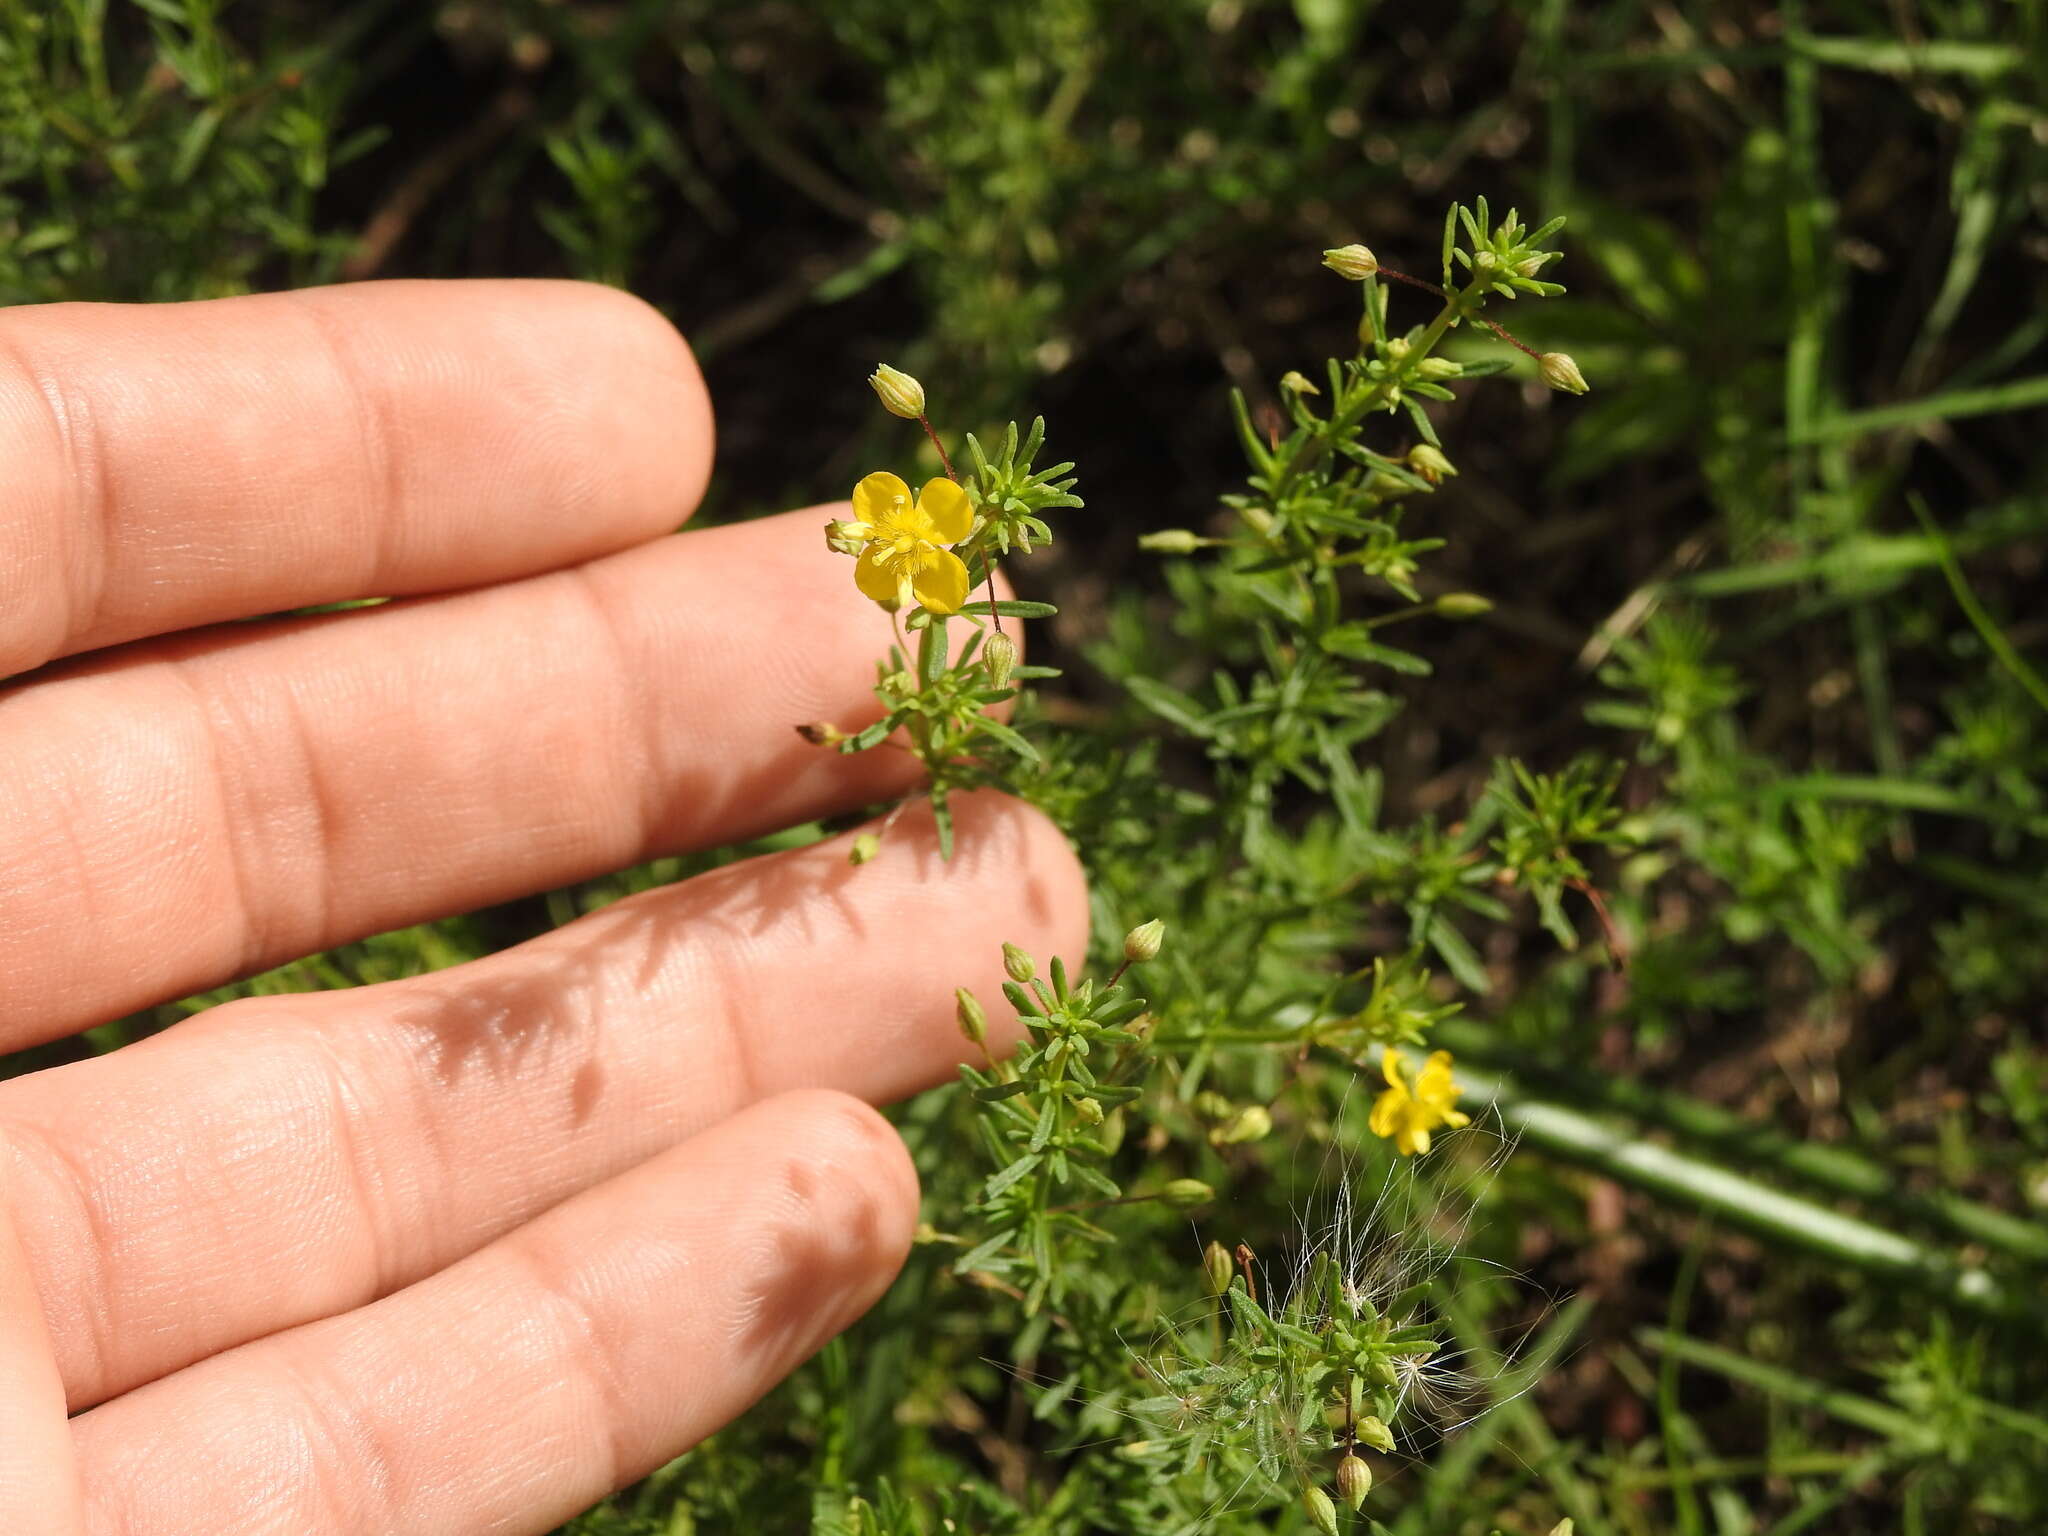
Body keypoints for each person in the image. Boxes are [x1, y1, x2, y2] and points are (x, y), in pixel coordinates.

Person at [0, 279, 1088, 1533]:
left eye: (892, 534)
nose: (880, 541)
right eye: (884, 531)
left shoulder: (932, 550)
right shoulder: (914, 543)